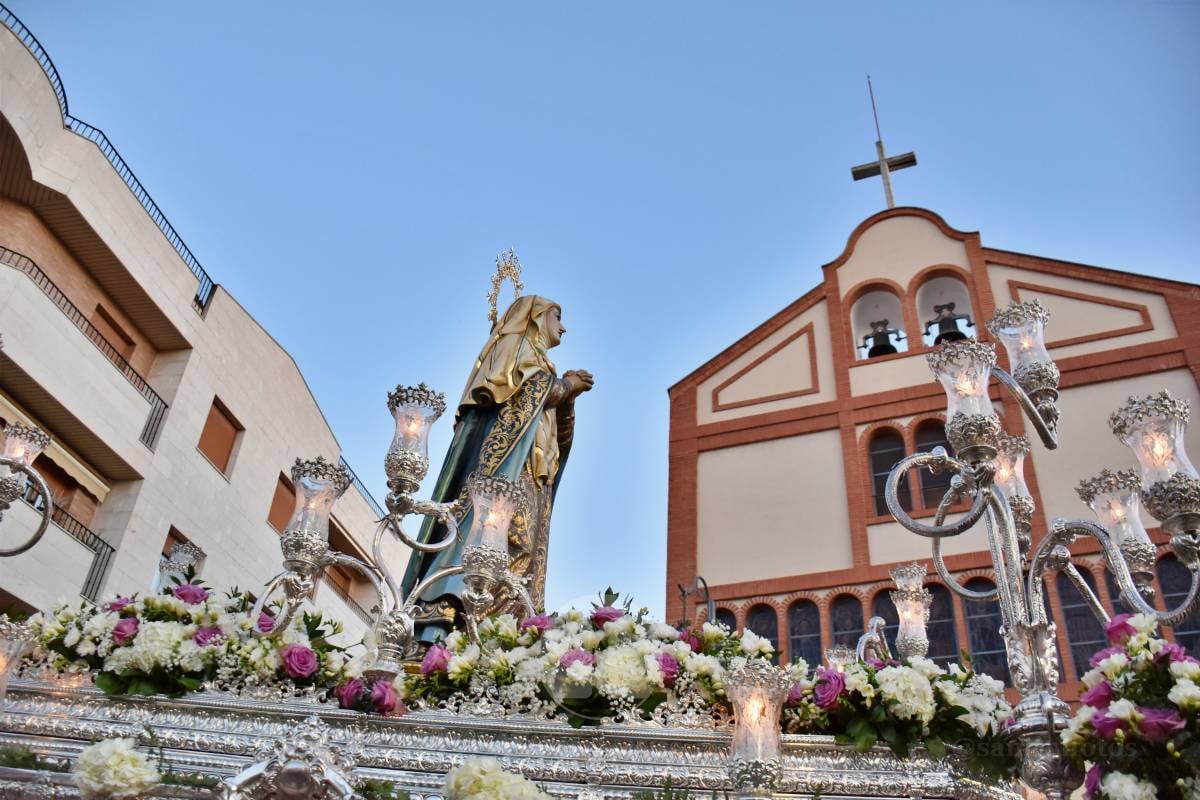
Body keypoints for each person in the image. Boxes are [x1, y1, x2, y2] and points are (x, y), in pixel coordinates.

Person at [401, 295, 593, 636]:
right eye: (557, 316)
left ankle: (507, 627)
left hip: (535, 474)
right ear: (534, 317)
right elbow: (526, 395)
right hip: (506, 471)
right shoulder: (513, 348)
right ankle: (463, 614)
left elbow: (557, 433)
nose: (563, 326)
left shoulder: (543, 367)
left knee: (523, 553)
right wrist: (565, 386)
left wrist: (569, 397)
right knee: (499, 538)